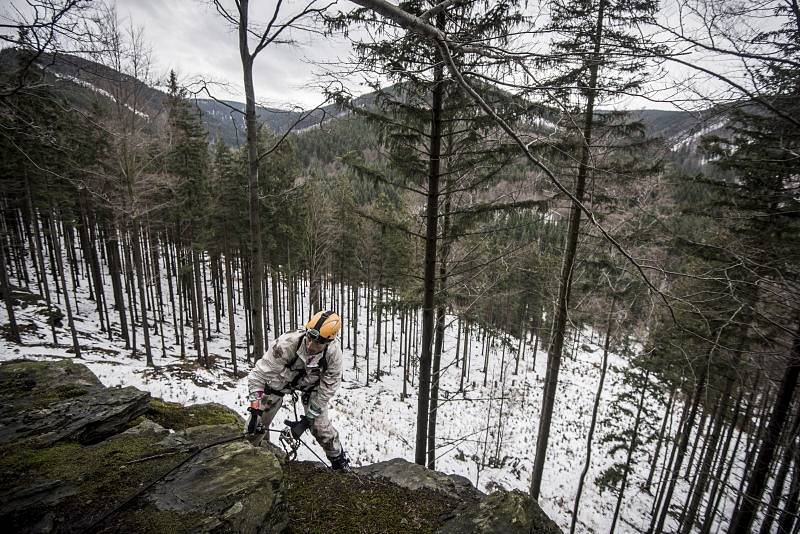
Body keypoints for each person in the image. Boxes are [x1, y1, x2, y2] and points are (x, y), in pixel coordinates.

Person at [245, 310, 349, 470]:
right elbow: (258, 376)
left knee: (320, 427)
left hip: (312, 388)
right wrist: (254, 410)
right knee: (256, 425)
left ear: (328, 342)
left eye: (318, 343)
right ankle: (252, 460)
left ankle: (339, 462)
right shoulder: (286, 344)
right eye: (309, 338)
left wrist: (306, 421)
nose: (310, 345)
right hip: (279, 382)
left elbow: (326, 390)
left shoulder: (333, 356)